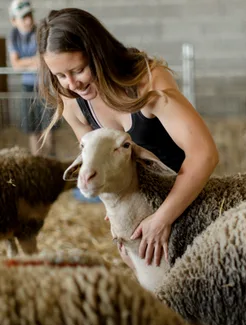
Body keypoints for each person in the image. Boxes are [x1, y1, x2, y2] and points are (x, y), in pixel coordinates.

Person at [36, 8, 219, 267]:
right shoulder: (72, 101)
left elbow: (204, 154)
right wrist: (120, 219)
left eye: (77, 70)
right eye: (59, 75)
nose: (71, 84)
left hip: (187, 201)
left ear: (98, 54)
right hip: (139, 216)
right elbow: (95, 165)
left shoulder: (148, 81)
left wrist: (161, 219)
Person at [7, 0, 55, 156]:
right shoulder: (13, 35)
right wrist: (32, 61)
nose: (28, 20)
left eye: (29, 15)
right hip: (27, 86)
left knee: (48, 125)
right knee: (31, 127)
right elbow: (15, 64)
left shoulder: (40, 31)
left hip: (44, 84)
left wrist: (25, 61)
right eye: (23, 17)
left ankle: (50, 159)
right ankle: (37, 159)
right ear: (14, 21)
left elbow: (42, 59)